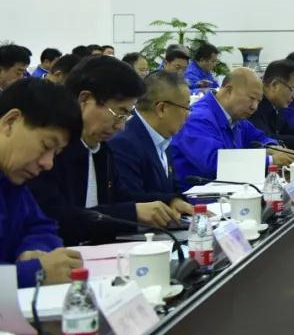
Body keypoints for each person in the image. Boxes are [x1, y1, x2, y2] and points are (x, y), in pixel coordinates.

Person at [29, 56, 184, 245]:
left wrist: (169, 201)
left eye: (126, 116)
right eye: (119, 113)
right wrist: (132, 212)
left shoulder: (101, 149)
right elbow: (57, 217)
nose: (121, 126)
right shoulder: (50, 152)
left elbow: (119, 197)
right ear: (85, 99)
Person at [0, 79, 85, 286]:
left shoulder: (12, 180)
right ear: (10, 122)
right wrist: (33, 273)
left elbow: (41, 226)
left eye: (56, 153)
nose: (48, 163)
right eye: (46, 145)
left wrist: (33, 249)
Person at [170, 67, 294, 185]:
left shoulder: (236, 117)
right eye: (251, 98)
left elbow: (259, 138)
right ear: (228, 90)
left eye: (258, 101)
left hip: (231, 188)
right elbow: (214, 163)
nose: (255, 107)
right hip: (198, 195)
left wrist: (273, 148)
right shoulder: (198, 118)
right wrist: (270, 161)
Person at [109, 71, 194, 216]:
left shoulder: (162, 136)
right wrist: (171, 201)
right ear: (162, 109)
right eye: (186, 108)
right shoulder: (124, 143)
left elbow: (173, 189)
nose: (188, 115)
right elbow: (131, 200)